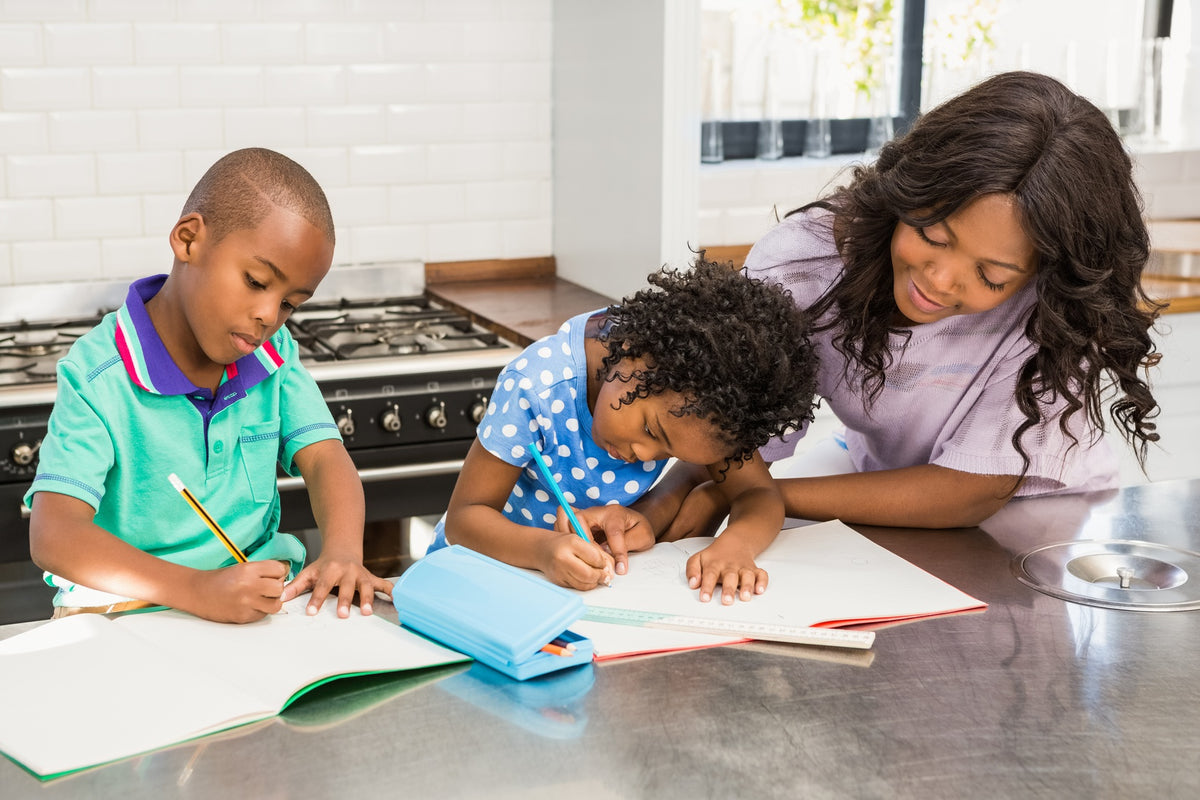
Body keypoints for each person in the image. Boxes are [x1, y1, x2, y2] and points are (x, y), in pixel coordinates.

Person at [652, 70, 1163, 538]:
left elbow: (970, 491)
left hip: (1042, 514)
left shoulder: (1056, 314)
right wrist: (659, 503)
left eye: (991, 275)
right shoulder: (807, 261)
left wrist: (754, 497)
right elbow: (737, 418)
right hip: (885, 490)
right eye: (932, 235)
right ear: (908, 190)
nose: (939, 281)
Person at [26, 147, 392, 623]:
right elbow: (54, 535)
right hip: (119, 613)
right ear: (189, 240)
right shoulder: (98, 374)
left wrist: (343, 550)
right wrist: (196, 589)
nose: (268, 315)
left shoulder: (272, 353)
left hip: (251, 603)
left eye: (290, 304)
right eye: (257, 281)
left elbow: (325, 458)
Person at [429, 258, 818, 604]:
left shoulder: (709, 403)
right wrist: (544, 551)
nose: (647, 455)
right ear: (634, 354)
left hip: (570, 598)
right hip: (472, 583)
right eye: (651, 430)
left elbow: (757, 493)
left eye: (668, 455)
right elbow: (466, 518)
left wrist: (737, 546)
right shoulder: (538, 386)